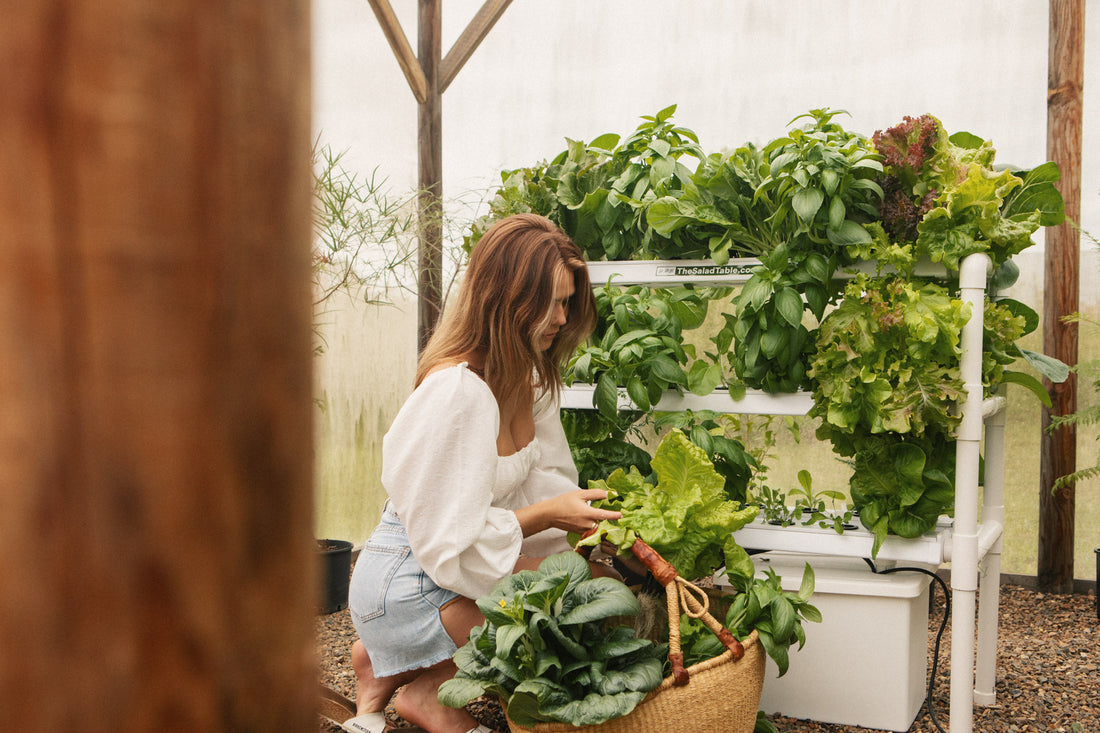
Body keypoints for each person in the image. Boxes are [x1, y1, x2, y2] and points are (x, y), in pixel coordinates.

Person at [344, 214, 623, 733]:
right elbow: (447, 543)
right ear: (509, 299)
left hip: (451, 565)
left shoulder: (528, 379)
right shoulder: (459, 391)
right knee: (549, 627)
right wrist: (545, 519)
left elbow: (549, 478)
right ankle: (424, 689)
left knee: (592, 586)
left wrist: (587, 534)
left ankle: (383, 668)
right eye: (553, 302)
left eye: (568, 302)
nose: (563, 318)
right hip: (413, 579)